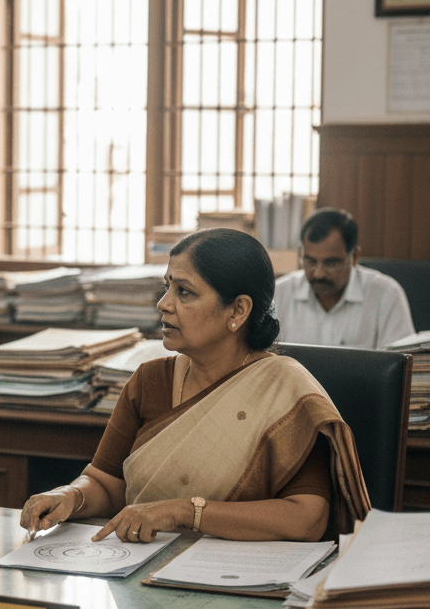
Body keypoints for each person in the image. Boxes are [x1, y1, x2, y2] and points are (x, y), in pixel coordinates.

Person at [20, 228, 370, 544]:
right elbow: (106, 483)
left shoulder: (283, 391)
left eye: (184, 292)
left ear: (238, 310)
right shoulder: (149, 381)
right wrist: (70, 496)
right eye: (167, 287)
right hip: (142, 573)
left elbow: (307, 517)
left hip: (240, 583)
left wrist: (187, 512)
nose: (164, 304)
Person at [273, 207, 414, 348]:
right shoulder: (279, 293)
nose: (319, 274)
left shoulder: (386, 294)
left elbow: (402, 363)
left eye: (331, 263)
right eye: (310, 261)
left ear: (354, 257)